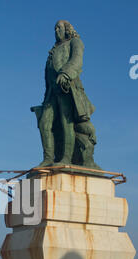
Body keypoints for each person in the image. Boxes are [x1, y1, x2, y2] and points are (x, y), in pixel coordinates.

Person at [37, 20, 98, 168]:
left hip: (68, 88)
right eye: (55, 28)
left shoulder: (75, 42)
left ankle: (66, 157)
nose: (56, 30)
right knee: (44, 123)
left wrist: (65, 74)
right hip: (52, 92)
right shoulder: (52, 51)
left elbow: (76, 60)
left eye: (59, 27)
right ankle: (48, 158)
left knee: (67, 122)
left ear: (67, 29)